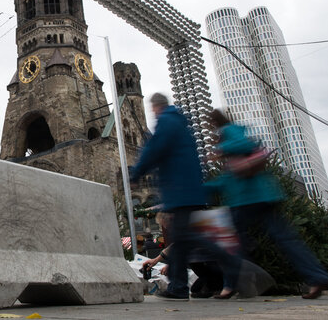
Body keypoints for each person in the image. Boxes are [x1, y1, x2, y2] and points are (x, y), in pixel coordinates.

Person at [206, 109, 328, 299]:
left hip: (249, 199)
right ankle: (317, 276)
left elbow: (243, 144)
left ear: (215, 122)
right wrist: (208, 186)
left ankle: (233, 285)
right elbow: (230, 177)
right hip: (257, 197)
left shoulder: (230, 131)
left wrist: (222, 150)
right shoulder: (228, 138)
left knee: (232, 244)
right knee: (282, 240)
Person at [129, 93, 241, 300]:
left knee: (189, 238)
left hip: (180, 191)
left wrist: (136, 172)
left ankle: (228, 263)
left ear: (156, 107)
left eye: (152, 109)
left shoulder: (167, 121)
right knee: (183, 239)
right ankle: (179, 287)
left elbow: (154, 149)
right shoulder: (181, 122)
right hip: (189, 190)